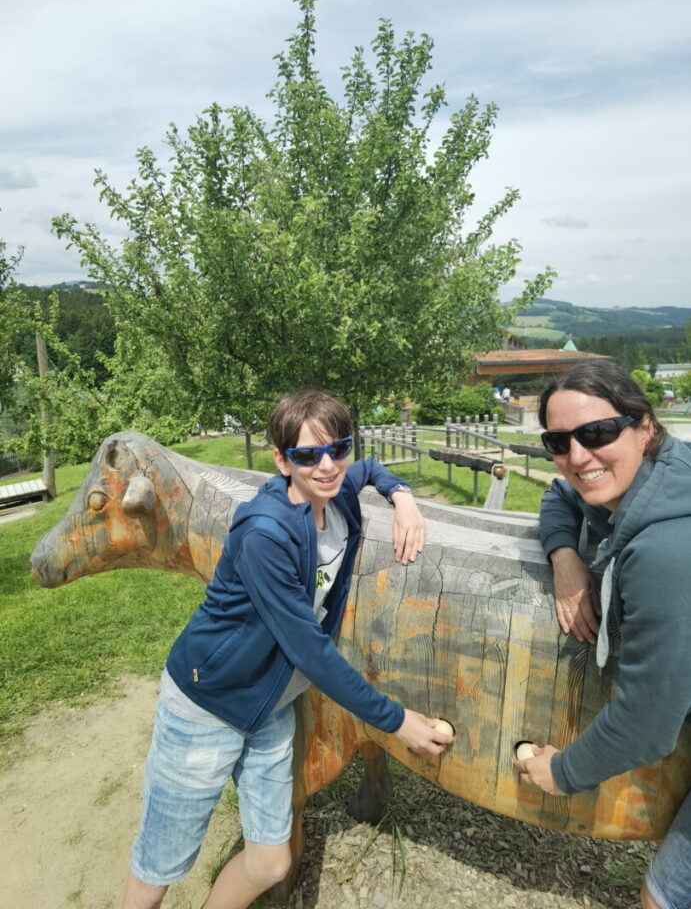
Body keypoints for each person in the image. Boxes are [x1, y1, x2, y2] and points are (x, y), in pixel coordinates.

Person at [123, 389, 452, 909]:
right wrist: (395, 721)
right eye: (306, 455)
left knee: (271, 861)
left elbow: (368, 469)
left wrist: (402, 495)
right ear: (281, 460)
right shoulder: (265, 533)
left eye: (336, 448)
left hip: (270, 706)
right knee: (160, 863)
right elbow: (310, 650)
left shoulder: (338, 494)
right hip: (207, 704)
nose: (327, 465)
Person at [515, 361, 691, 909]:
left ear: (644, 427)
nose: (578, 457)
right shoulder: (659, 478)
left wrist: (560, 772)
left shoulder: (666, 551)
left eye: (597, 433)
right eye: (558, 441)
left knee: (662, 899)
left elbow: (645, 723)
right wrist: (566, 556)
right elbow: (559, 496)